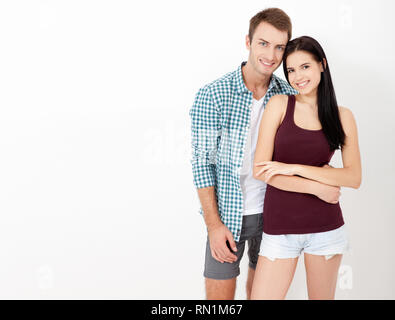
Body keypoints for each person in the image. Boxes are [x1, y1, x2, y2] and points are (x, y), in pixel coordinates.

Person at [190, 9, 342, 300]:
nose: (271, 55)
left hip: (275, 215)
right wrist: (213, 226)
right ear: (248, 41)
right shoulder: (214, 94)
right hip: (229, 218)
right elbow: (201, 163)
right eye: (263, 43)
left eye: (279, 47)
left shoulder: (289, 94)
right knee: (218, 300)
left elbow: (308, 148)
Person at [250, 36, 362, 300]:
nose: (297, 76)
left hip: (326, 229)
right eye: (290, 70)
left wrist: (292, 168)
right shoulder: (279, 105)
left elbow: (353, 177)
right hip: (280, 230)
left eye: (305, 67)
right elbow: (262, 170)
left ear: (322, 65)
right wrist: (317, 187)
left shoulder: (342, 116)